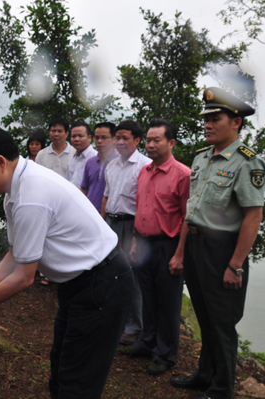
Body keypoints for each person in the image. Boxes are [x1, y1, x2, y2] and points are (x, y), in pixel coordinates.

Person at [0, 123, 134, 399]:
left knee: (77, 383)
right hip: (81, 285)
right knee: (61, 369)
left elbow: (24, 277)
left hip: (102, 283)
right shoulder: (16, 188)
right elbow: (15, 254)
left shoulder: (31, 196)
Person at [169, 88, 265, 399]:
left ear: (236, 122)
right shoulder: (202, 157)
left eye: (215, 118)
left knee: (222, 323)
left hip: (224, 251)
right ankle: (205, 375)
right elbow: (191, 211)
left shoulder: (247, 162)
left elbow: (253, 217)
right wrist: (181, 251)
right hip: (197, 246)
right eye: (206, 119)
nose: (207, 124)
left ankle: (222, 389)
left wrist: (235, 265)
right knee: (205, 315)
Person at [119, 119, 190, 376]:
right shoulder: (144, 172)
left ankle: (165, 354)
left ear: (171, 142)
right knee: (148, 297)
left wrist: (180, 253)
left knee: (168, 302)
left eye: (156, 140)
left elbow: (187, 217)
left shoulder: (182, 174)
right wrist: (136, 242)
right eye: (148, 140)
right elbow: (142, 209)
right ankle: (147, 342)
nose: (150, 144)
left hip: (168, 245)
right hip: (145, 242)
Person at [101, 120, 152, 346]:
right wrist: (102, 224)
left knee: (133, 276)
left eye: (125, 138)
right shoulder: (111, 165)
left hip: (132, 225)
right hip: (112, 223)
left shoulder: (145, 166)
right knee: (111, 273)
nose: (120, 142)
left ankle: (134, 327)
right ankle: (116, 321)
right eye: (117, 138)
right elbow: (106, 196)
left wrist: (138, 236)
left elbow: (145, 202)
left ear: (137, 141)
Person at [80, 122, 118, 212]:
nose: (99, 141)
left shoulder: (119, 163)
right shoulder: (90, 162)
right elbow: (84, 189)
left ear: (114, 139)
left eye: (104, 137)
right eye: (97, 138)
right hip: (90, 213)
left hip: (110, 215)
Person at [66, 121, 97, 188]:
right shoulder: (72, 158)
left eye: (80, 136)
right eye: (73, 136)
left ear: (89, 138)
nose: (76, 139)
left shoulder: (95, 158)